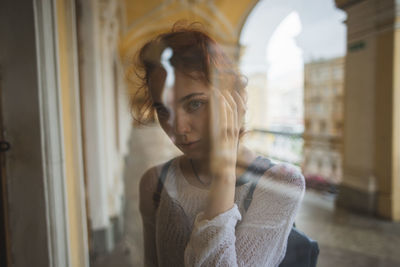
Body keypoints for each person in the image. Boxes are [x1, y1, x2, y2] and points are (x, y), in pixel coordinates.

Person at [131, 23, 305, 267]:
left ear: (237, 98)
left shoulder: (280, 184)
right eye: (163, 109)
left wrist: (224, 172)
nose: (178, 128)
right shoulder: (154, 182)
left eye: (195, 104)